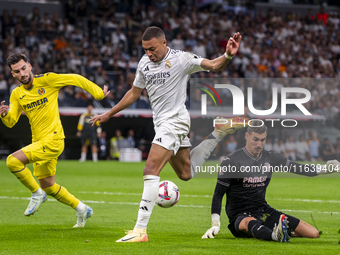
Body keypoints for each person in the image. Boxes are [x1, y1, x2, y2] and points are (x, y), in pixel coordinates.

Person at [90, 26, 245, 242]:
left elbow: (214, 66)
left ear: (164, 43)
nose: (149, 54)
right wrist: (109, 113)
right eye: (145, 50)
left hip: (175, 122)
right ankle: (218, 133)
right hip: (162, 123)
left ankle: (140, 230)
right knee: (186, 173)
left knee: (150, 169)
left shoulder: (182, 59)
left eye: (152, 49)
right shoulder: (144, 63)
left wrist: (228, 54)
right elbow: (134, 93)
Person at [0, 53, 109, 228]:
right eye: (16, 71)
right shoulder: (16, 94)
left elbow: (75, 78)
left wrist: (98, 93)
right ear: (13, 74)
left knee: (12, 161)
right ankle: (82, 209)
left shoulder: (48, 80)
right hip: (39, 142)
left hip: (54, 139)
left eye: (23, 68)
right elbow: (11, 121)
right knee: (48, 185)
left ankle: (36, 194)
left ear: (29, 66)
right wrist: (4, 115)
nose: (22, 73)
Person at [202, 122, 336, 242]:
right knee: (248, 222)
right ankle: (274, 236)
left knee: (313, 233)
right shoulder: (231, 160)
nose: (259, 144)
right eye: (255, 139)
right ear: (247, 136)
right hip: (240, 216)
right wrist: (215, 223)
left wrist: (324, 169)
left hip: (263, 211)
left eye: (262, 140)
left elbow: (299, 168)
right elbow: (218, 194)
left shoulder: (270, 157)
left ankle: (274, 232)